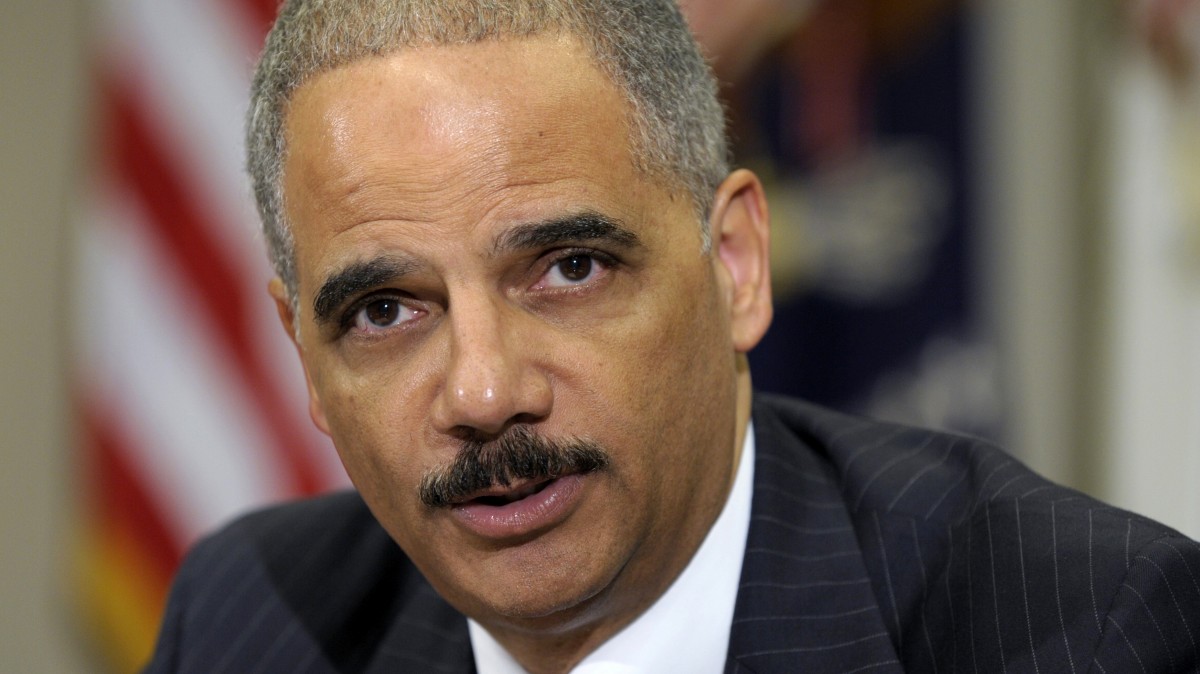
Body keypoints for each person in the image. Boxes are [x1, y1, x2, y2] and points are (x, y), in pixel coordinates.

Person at [144, 1, 1200, 672]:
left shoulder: (1080, 629)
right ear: (305, 356)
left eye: (569, 268)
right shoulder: (251, 622)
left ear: (735, 264)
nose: (483, 391)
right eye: (385, 310)